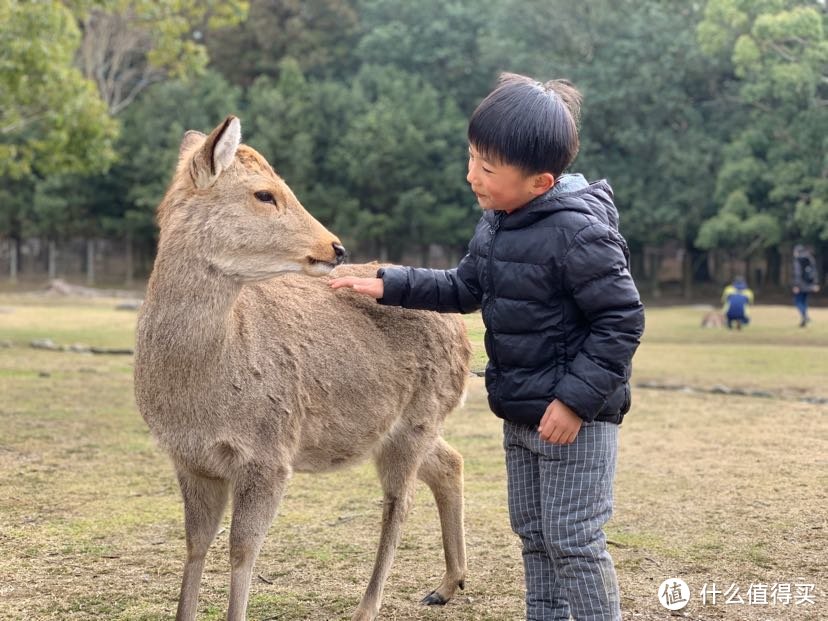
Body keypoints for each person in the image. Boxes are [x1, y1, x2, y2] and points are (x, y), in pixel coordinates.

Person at [330, 72, 644, 621]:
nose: (471, 174)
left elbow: (621, 320)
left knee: (573, 540)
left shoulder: (580, 233)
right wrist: (389, 283)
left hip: (577, 421)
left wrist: (575, 402)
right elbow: (464, 287)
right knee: (534, 536)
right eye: (472, 157)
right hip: (521, 414)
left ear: (541, 181)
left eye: (488, 167)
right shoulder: (498, 221)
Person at [792, 244, 819, 327]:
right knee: (804, 301)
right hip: (809, 284)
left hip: (801, 284)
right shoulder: (810, 259)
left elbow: (797, 273)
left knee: (798, 301)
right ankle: (805, 316)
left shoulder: (798, 260)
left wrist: (796, 285)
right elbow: (814, 272)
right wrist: (815, 284)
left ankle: (804, 316)